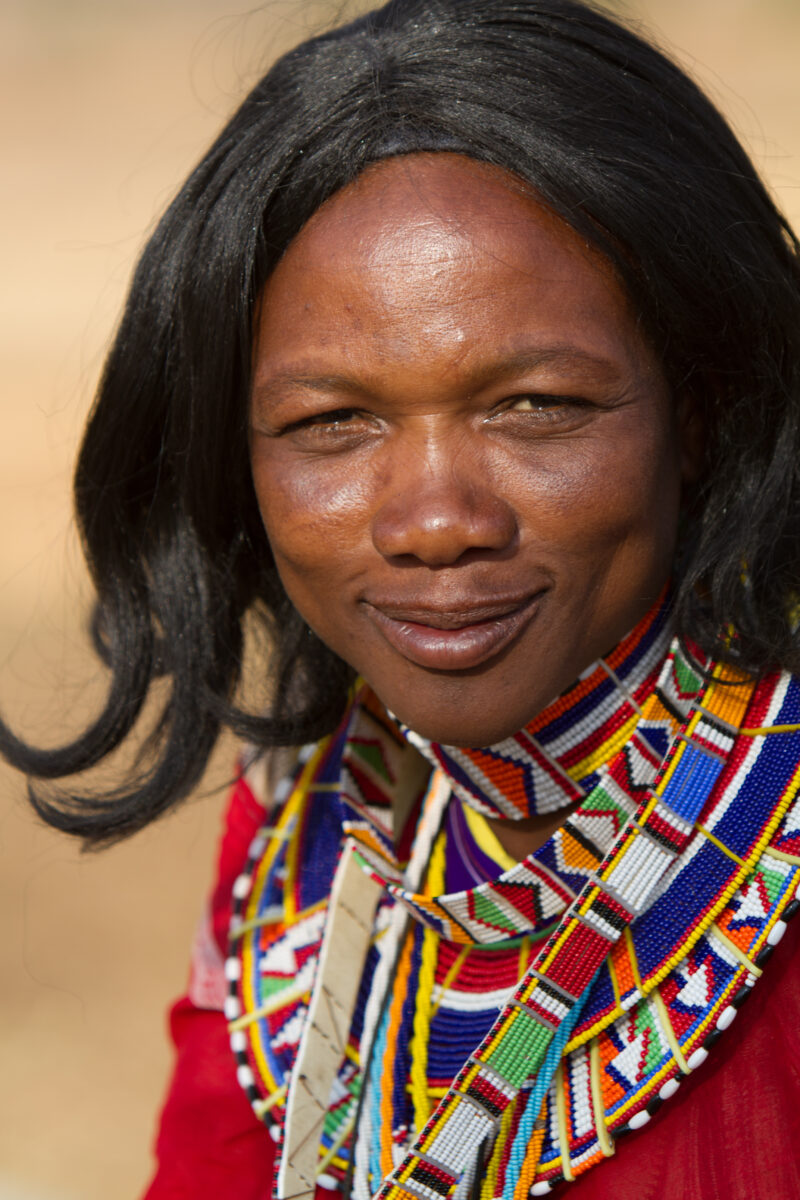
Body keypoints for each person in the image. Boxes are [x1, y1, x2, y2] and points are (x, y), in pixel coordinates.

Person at [3, 0, 800, 1196]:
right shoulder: (309, 844)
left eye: (535, 407)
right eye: (331, 423)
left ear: (694, 415)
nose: (434, 521)